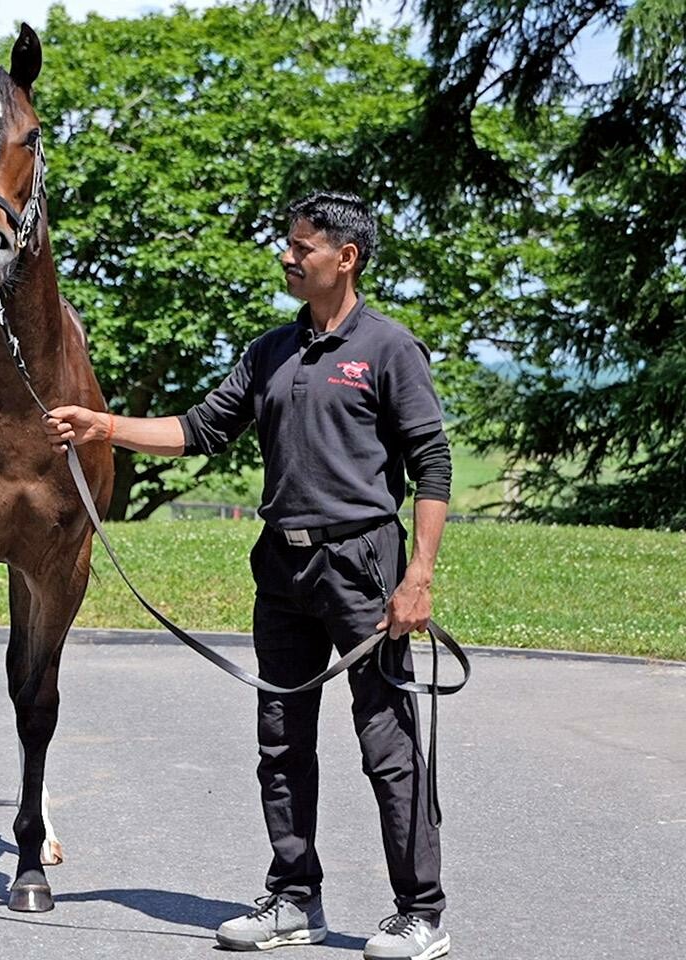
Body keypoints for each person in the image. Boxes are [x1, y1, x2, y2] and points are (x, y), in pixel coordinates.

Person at [45, 192, 453, 960]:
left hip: (365, 563)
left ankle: (420, 911)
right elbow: (197, 430)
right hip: (283, 566)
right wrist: (103, 426)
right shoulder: (269, 350)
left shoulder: (390, 348)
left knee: (385, 741)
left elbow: (431, 466)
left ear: (346, 258)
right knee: (281, 739)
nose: (287, 257)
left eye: (302, 247)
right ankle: (295, 899)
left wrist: (419, 576)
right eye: (287, 244)